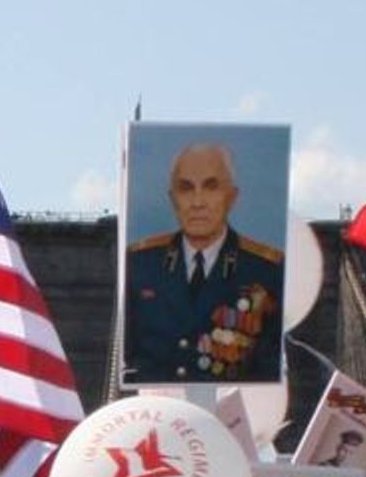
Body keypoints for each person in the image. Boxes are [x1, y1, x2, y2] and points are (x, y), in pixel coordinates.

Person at [122, 141, 284, 384]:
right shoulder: (140, 265)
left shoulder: (266, 270)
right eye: (186, 188)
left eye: (211, 187)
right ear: (172, 198)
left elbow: (268, 364)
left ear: (231, 197)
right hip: (158, 410)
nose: (197, 202)